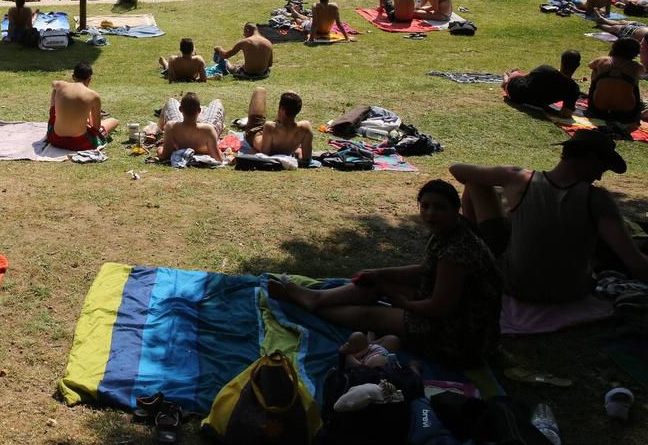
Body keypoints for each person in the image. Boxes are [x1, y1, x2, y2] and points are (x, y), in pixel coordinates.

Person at [269, 179, 502, 366]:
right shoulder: (448, 230)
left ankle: (310, 306)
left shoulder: (457, 250)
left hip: (461, 336)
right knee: (376, 283)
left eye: (440, 207)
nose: (431, 213)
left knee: (373, 316)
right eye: (426, 206)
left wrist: (403, 303)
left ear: (455, 210)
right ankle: (315, 298)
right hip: (449, 311)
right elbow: (424, 269)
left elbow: (440, 307)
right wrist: (381, 273)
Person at [452, 130, 648, 304]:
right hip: (571, 292)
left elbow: (457, 169)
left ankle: (473, 253)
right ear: (591, 159)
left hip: (513, 285)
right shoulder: (597, 200)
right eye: (601, 169)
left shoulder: (517, 179)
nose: (599, 177)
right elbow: (635, 263)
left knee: (474, 182)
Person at [47, 62, 119, 150]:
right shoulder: (93, 96)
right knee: (114, 121)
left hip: (55, 139)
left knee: (55, 90)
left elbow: (53, 83)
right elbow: (96, 128)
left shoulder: (60, 85)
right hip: (80, 143)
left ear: (73, 77)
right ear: (89, 79)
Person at [243, 89, 313, 166]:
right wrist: (298, 151)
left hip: (255, 133)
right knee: (291, 94)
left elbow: (264, 156)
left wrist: (252, 151)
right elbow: (306, 158)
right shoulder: (305, 127)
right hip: (285, 133)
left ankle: (282, 117)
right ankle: (283, 118)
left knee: (259, 90)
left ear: (281, 109)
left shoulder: (270, 126)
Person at [502, 50, 581, 117]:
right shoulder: (573, 88)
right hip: (536, 103)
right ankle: (512, 75)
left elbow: (526, 79)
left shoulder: (545, 69)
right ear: (578, 65)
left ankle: (508, 78)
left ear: (561, 61)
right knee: (519, 76)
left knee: (516, 75)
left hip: (516, 92)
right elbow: (566, 113)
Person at [587, 37, 644, 124]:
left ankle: (602, 95)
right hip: (627, 112)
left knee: (595, 70)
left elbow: (590, 65)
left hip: (598, 108)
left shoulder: (603, 60)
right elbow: (642, 74)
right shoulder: (637, 67)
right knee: (634, 79)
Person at [154, 92, 225, 161]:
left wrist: (159, 149)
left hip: (180, 129)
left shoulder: (171, 126)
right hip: (204, 136)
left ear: (180, 109)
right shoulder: (208, 129)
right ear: (199, 111)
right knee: (217, 101)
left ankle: (157, 128)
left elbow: (164, 155)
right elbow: (218, 159)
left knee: (171, 101)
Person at [290, 0, 354, 42]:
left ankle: (295, 15)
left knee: (301, 21)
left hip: (317, 30)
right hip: (327, 30)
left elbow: (315, 24)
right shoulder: (334, 6)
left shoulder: (315, 6)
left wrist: (311, 39)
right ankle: (296, 13)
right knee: (309, 19)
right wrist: (347, 38)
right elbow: (339, 23)